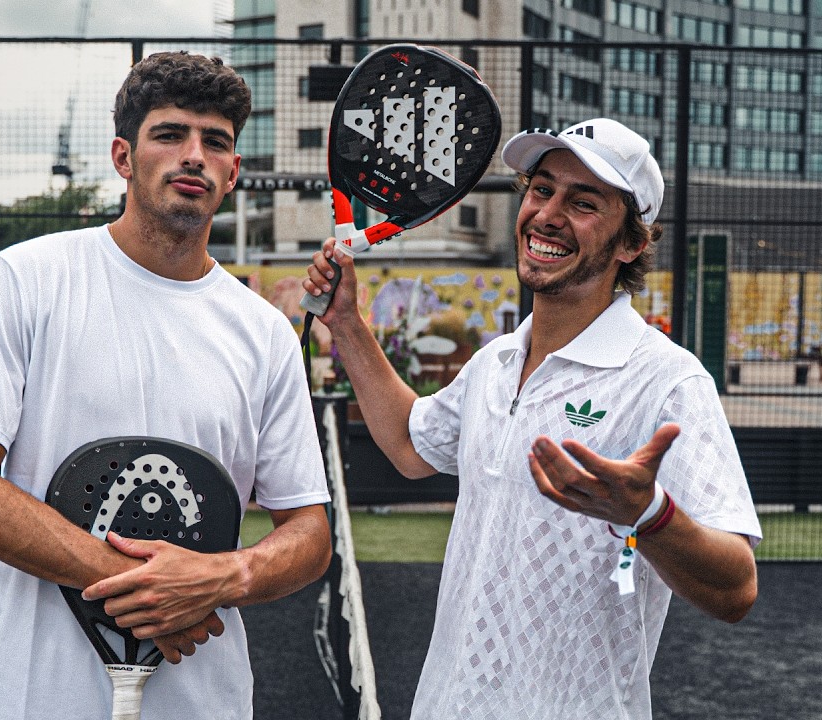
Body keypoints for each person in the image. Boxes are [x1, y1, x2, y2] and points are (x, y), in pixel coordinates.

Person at [303, 118, 761, 718]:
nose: (547, 214)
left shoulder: (668, 382)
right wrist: (347, 323)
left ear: (631, 244)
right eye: (541, 189)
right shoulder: (496, 361)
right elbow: (410, 447)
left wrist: (647, 516)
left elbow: (736, 590)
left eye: (584, 202)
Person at [0, 51, 332, 720]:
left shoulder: (262, 332)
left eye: (216, 142)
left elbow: (309, 532)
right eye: (169, 134)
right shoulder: (30, 278)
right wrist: (147, 588)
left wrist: (219, 577)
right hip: (30, 701)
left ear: (233, 173)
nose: (194, 155)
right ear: (123, 156)